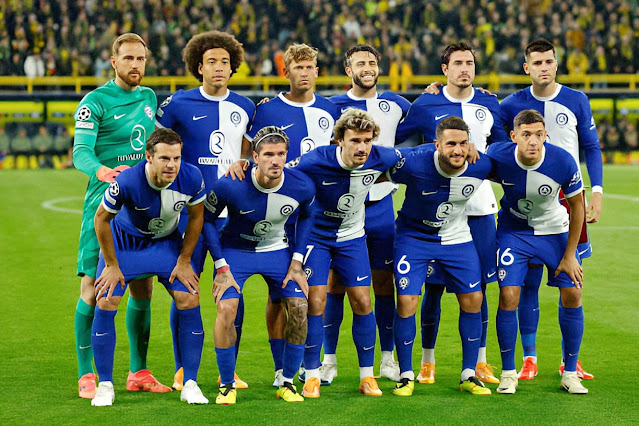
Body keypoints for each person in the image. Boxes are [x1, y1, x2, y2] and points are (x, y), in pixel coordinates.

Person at [395, 42, 507, 386]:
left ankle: (481, 361)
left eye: (469, 63)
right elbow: (396, 136)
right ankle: (426, 361)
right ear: (444, 69)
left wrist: (484, 151)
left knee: (479, 287)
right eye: (457, 63)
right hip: (434, 208)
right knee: (430, 288)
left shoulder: (489, 102)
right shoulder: (427, 102)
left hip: (479, 206)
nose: (464, 68)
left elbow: (503, 145)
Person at [230, 43, 339, 385]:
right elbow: (248, 155)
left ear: (317, 72)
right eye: (298, 67)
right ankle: (283, 368)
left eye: (310, 67)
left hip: (320, 213)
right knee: (280, 296)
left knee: (310, 295)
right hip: (277, 217)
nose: (304, 73)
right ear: (286, 72)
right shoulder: (266, 111)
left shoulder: (331, 109)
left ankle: (309, 366)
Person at [156, 30, 255, 391]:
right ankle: (183, 367)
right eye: (211, 61)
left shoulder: (245, 107)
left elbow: (248, 151)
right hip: (190, 213)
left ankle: (229, 368)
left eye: (224, 62)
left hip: (234, 215)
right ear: (199, 67)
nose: (218, 67)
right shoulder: (178, 104)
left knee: (234, 290)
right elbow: (155, 144)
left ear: (233, 68)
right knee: (187, 287)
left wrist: (242, 161)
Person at [500, 39, 601, 380]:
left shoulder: (576, 100)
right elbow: (496, 143)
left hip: (569, 199)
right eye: (537, 62)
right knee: (525, 284)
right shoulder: (511, 104)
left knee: (571, 281)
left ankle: (569, 361)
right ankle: (529, 358)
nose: (544, 67)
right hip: (525, 201)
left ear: (557, 64)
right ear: (526, 68)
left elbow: (591, 146)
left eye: (549, 61)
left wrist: (596, 190)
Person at [72, 33, 165, 399]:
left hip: (140, 204)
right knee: (92, 290)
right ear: (114, 61)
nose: (135, 65)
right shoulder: (94, 102)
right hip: (103, 203)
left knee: (142, 286)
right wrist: (102, 171)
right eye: (128, 58)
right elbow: (81, 151)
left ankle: (138, 371)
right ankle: (86, 374)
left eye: (140, 59)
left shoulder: (148, 97)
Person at [90, 128, 208, 406]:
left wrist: (184, 260)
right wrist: (110, 264)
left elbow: (196, 218)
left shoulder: (191, 177)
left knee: (189, 296)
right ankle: (105, 385)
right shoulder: (128, 181)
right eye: (165, 158)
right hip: (126, 243)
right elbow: (101, 219)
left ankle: (190, 383)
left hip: (165, 244)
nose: (172, 165)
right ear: (149, 157)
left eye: (177, 158)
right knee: (106, 300)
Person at [293, 108, 403, 398]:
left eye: (367, 140)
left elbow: (417, 157)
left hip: (353, 237)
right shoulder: (315, 160)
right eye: (355, 140)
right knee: (316, 301)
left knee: (363, 300)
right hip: (317, 237)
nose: (362, 147)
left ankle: (367, 376)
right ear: (339, 140)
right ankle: (313, 374)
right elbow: (283, 176)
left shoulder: (383, 157)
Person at [204, 126, 315, 405]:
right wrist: (221, 267)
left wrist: (298, 261)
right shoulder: (230, 183)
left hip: (277, 252)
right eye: (268, 154)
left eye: (280, 154)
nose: (275, 160)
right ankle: (227, 384)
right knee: (227, 308)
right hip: (235, 252)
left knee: (300, 308)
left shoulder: (301, 185)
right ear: (254, 156)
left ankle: (287, 381)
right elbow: (206, 220)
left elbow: (308, 217)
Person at [321, 44, 411, 384]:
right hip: (341, 207)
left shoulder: (396, 105)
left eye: (372, 61)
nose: (368, 67)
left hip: (381, 207)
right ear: (349, 69)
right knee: (335, 283)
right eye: (360, 62)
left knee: (383, 282)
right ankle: (328, 359)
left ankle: (387, 357)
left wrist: (434, 91)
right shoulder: (330, 107)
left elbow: (425, 119)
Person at [389, 116, 493, 397]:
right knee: (408, 299)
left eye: (462, 144)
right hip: (414, 238)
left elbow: (514, 165)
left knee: (474, 299)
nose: (457, 150)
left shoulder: (481, 164)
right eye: (450, 144)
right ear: (437, 145)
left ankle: (469, 374)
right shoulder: (414, 162)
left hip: (457, 238)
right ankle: (406, 374)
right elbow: (376, 168)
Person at [487, 110, 588, 395]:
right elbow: (475, 167)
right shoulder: (498, 155)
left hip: (554, 232)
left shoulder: (562, 161)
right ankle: (508, 373)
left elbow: (578, 206)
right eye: (527, 134)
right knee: (508, 295)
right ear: (514, 136)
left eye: (539, 134)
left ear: (546, 135)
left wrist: (570, 255)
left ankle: (570, 373)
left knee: (573, 292)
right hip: (513, 233)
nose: (533, 141)